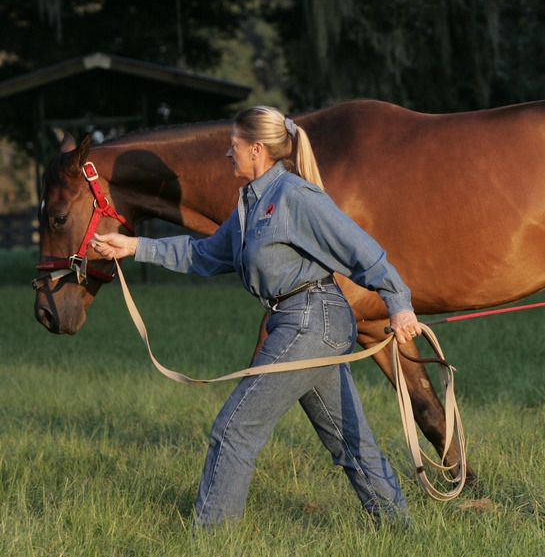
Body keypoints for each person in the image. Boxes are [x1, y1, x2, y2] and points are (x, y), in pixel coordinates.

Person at [91, 106, 419, 528]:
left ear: (257, 150)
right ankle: (399, 528)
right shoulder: (251, 204)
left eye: (234, 146)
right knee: (348, 441)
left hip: (312, 320)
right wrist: (133, 248)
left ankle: (210, 544)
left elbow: (361, 249)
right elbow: (205, 254)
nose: (229, 154)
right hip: (299, 322)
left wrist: (399, 303)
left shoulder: (295, 197)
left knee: (234, 429)